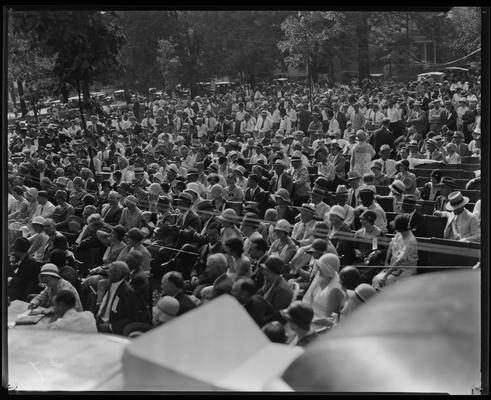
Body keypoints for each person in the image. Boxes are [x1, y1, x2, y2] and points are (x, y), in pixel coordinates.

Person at [372, 215, 418, 290]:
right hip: (393, 267)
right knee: (376, 279)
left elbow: (400, 261)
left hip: (405, 270)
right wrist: (386, 263)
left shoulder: (410, 241)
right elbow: (390, 247)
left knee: (383, 281)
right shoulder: (399, 234)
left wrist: (386, 275)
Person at [302, 253, 345, 328]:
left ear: (328, 269)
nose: (318, 269)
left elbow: (330, 319)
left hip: (321, 325)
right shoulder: (320, 276)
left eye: (320, 267)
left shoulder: (336, 288)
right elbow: (307, 298)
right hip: (307, 318)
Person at [96, 261, 138, 335]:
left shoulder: (127, 292)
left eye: (110, 271)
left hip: (111, 326)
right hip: (99, 319)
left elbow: (131, 317)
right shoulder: (109, 285)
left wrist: (110, 326)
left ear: (118, 274)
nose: (108, 273)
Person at [8, 236, 42, 301]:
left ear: (17, 250)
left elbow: (22, 280)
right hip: (24, 286)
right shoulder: (25, 258)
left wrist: (10, 280)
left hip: (26, 291)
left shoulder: (29, 262)